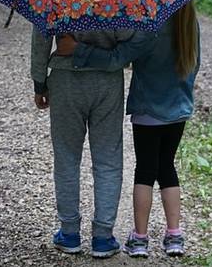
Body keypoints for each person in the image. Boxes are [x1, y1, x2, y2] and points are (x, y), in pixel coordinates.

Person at [55, 1, 200, 258]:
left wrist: (78, 51)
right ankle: (174, 235)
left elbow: (118, 58)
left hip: (147, 110)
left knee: (145, 171)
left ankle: (140, 238)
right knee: (167, 167)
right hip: (178, 109)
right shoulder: (189, 24)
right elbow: (193, 65)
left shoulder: (148, 26)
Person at [31, 26, 133, 258]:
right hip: (107, 79)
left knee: (67, 155)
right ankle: (103, 237)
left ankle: (69, 233)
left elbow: (40, 37)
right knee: (108, 157)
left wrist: (39, 81)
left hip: (66, 79)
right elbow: (129, 35)